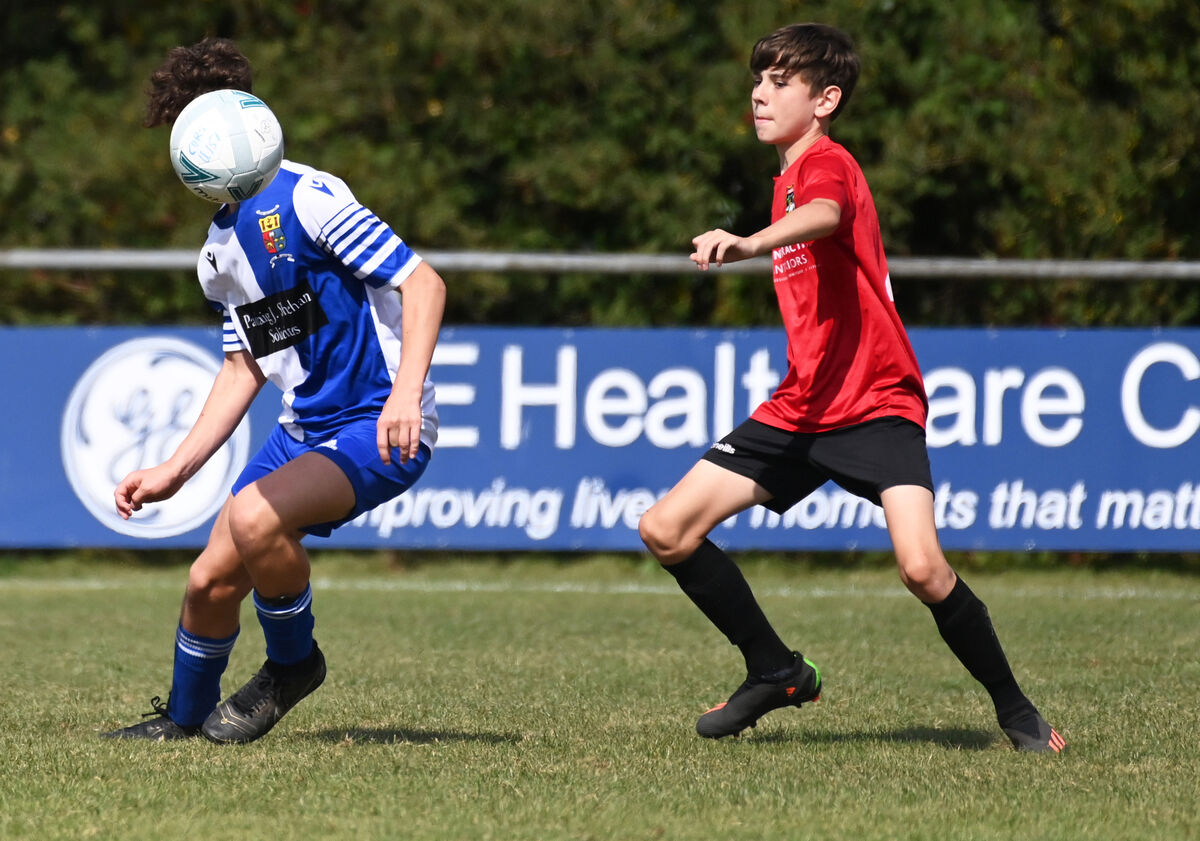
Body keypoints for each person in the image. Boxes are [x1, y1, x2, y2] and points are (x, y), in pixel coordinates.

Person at [638, 23, 1065, 753]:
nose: (759, 93)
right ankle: (776, 671)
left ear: (826, 100)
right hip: (802, 405)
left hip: (875, 402)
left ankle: (1017, 711)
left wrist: (748, 241)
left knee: (922, 568)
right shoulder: (785, 179)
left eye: (780, 82)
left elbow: (827, 214)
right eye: (758, 79)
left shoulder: (826, 164)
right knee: (665, 529)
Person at [103, 38, 446, 743]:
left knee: (258, 520)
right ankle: (183, 720)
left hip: (376, 423)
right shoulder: (219, 253)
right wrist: (174, 470)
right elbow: (243, 368)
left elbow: (424, 283)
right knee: (208, 581)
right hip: (302, 432)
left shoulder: (312, 198)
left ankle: (293, 665)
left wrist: (406, 393)